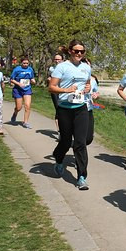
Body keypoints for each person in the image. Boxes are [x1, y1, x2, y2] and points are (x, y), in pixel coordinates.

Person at [49, 41, 93, 190]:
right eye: (76, 51)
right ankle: (59, 157)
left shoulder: (86, 67)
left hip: (81, 108)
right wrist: (66, 90)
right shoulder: (62, 67)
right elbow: (52, 87)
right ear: (70, 51)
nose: (79, 54)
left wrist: (88, 88)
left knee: (80, 142)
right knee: (66, 141)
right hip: (65, 109)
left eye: (82, 51)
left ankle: (82, 177)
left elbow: (87, 84)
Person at [9, 56, 36, 128]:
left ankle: (26, 122)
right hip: (18, 90)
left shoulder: (30, 69)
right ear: (21, 63)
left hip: (27, 89)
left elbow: (32, 77)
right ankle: (15, 113)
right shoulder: (17, 69)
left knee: (27, 106)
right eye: (24, 63)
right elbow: (11, 79)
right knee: (19, 107)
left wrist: (33, 81)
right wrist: (18, 84)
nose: (25, 64)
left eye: (27, 63)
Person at [48, 50, 64, 135]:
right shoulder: (51, 69)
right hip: (55, 91)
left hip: (65, 91)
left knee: (65, 110)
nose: (57, 61)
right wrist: (49, 80)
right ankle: (59, 131)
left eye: (59, 59)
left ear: (62, 60)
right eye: (56, 59)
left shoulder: (66, 67)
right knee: (58, 109)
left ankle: (66, 129)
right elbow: (50, 78)